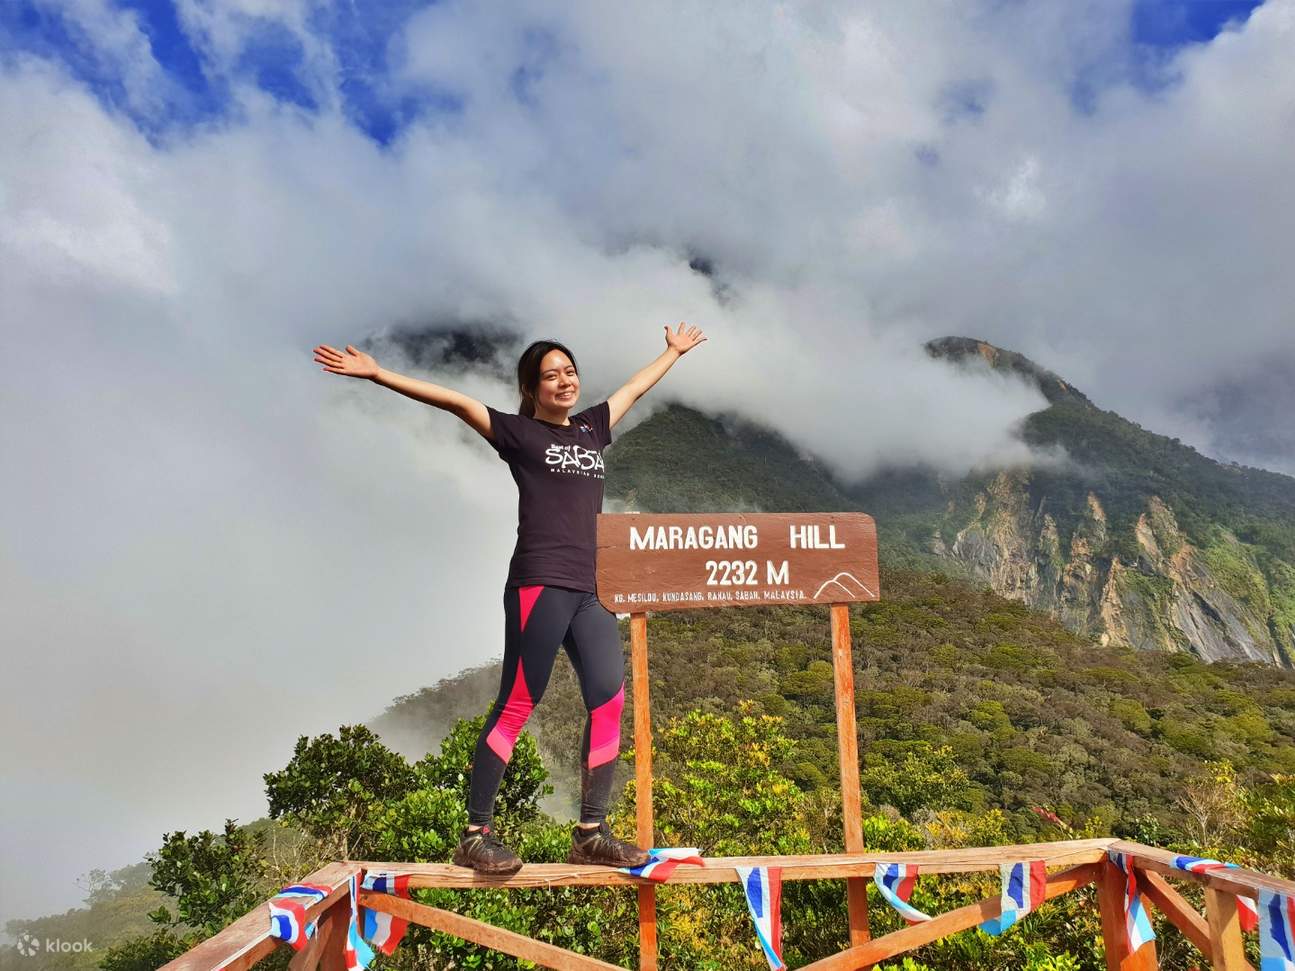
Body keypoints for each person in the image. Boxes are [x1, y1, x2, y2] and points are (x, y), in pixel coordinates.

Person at [313, 323, 707, 875]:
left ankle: (591, 833)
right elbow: (454, 402)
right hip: (539, 583)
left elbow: (634, 388)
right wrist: (379, 375)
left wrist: (671, 352)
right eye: (551, 376)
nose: (564, 381)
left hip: (592, 590)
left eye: (569, 371)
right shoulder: (520, 435)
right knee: (519, 703)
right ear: (532, 389)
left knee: (609, 699)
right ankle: (475, 835)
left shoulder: (592, 427)